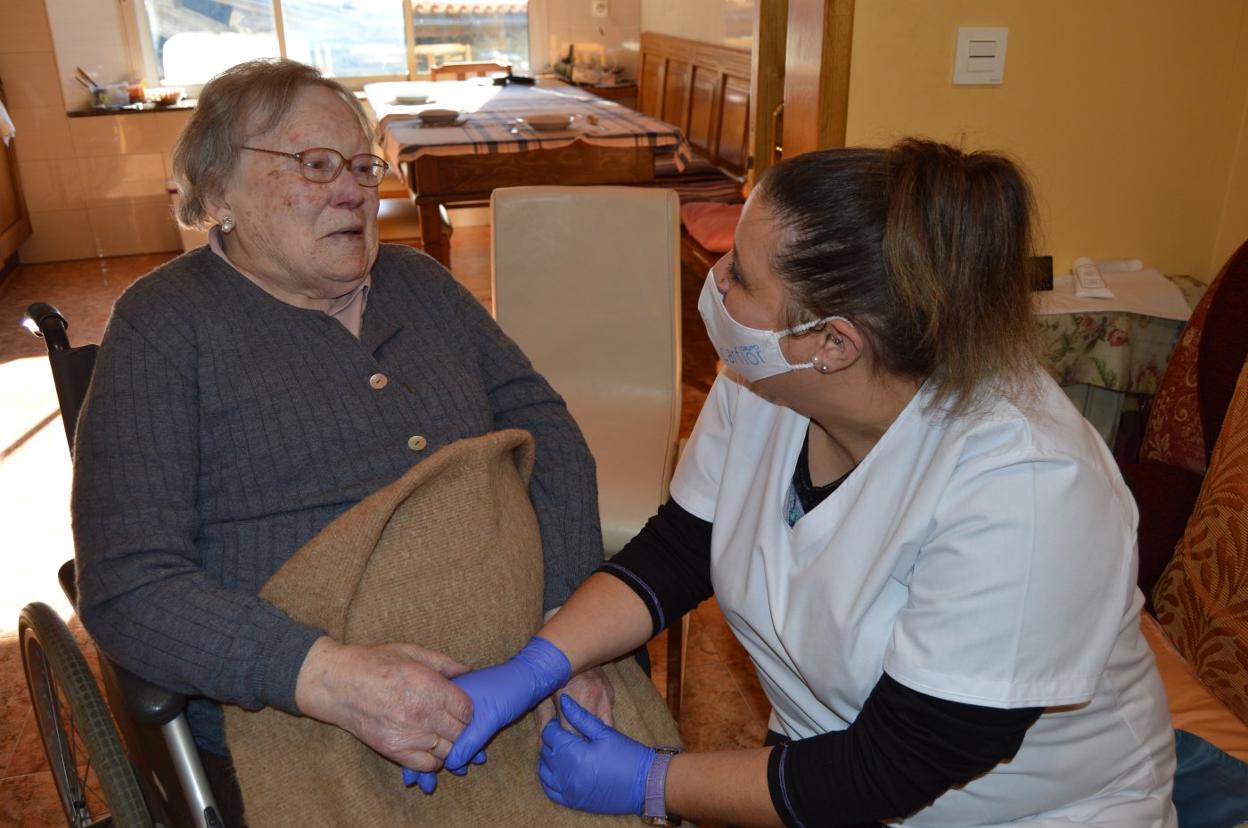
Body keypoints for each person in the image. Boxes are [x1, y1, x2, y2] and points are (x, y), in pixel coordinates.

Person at [432, 140, 1178, 826]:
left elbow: (892, 767)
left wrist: (651, 781)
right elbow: (678, 552)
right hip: (818, 763)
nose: (715, 282)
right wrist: (538, 664)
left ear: (832, 342)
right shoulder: (765, 381)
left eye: (739, 275)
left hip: (1019, 812)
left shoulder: (1028, 488)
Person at [70, 58, 611, 821]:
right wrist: (331, 679)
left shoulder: (421, 284)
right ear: (217, 192)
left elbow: (548, 432)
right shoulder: (164, 327)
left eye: (362, 165)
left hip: (529, 677)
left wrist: (566, 633)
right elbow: (129, 584)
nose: (355, 190)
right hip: (315, 721)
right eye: (316, 165)